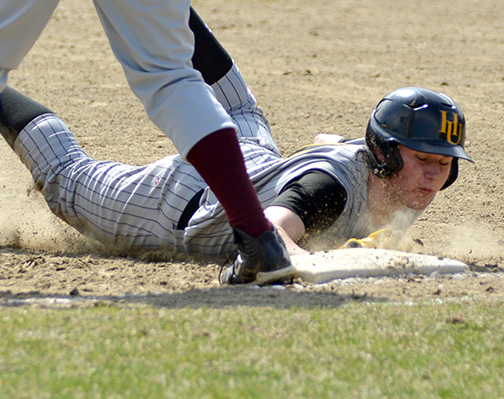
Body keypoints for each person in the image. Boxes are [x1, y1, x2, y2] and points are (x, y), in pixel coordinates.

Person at [0, 8, 473, 285]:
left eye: (444, 164)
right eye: (423, 160)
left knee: (240, 103)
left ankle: (163, 13)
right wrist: (307, 261)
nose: (435, 175)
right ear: (386, 155)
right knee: (68, 179)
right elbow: (272, 227)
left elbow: (326, 141)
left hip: (252, 154)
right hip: (183, 199)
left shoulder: (388, 175)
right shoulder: (327, 189)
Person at [0, 3, 292, 284]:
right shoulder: (329, 164)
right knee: (171, 77)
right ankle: (257, 237)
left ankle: (257, 234)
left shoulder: (331, 164)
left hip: (182, 207)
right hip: (216, 200)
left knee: (69, 176)